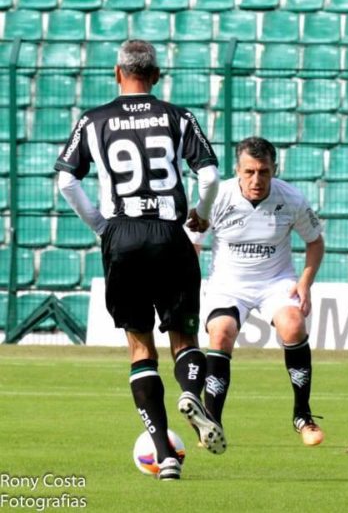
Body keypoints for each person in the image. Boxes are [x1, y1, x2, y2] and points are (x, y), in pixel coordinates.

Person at [54, 40, 224, 479]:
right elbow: (209, 175)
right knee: (184, 339)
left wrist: (101, 225)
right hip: (170, 235)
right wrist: (200, 216)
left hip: (122, 236)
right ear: (158, 74)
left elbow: (66, 182)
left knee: (139, 347)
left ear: (117, 73)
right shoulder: (177, 116)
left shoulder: (93, 120)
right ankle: (191, 393)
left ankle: (165, 457)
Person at [187, 136, 325, 447]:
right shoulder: (215, 198)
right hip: (227, 285)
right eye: (249, 172)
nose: (256, 179)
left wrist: (304, 283)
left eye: (264, 171)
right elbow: (191, 245)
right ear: (237, 170)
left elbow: (315, 242)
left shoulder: (291, 199)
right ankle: (212, 423)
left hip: (275, 281)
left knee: (293, 325)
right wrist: (187, 289)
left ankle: (302, 415)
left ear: (274, 169)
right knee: (221, 332)